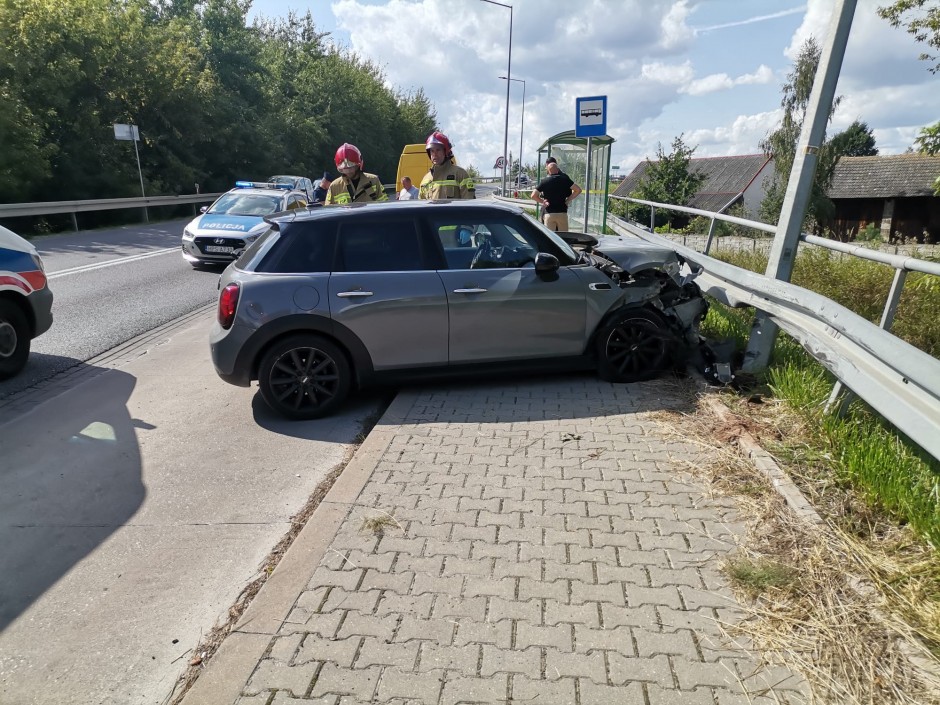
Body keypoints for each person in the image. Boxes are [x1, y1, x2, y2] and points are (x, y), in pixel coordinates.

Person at [530, 156, 582, 232]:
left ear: (548, 171)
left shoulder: (544, 181)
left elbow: (533, 195)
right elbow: (578, 190)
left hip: (549, 213)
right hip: (562, 212)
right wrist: (568, 200)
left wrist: (543, 202)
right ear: (557, 170)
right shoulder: (565, 179)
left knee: (550, 239)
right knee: (564, 238)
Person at [419, 131, 475, 200]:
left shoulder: (460, 174)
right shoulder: (425, 179)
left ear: (446, 152)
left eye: (438, 150)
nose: (434, 154)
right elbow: (421, 207)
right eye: (432, 151)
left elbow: (469, 206)